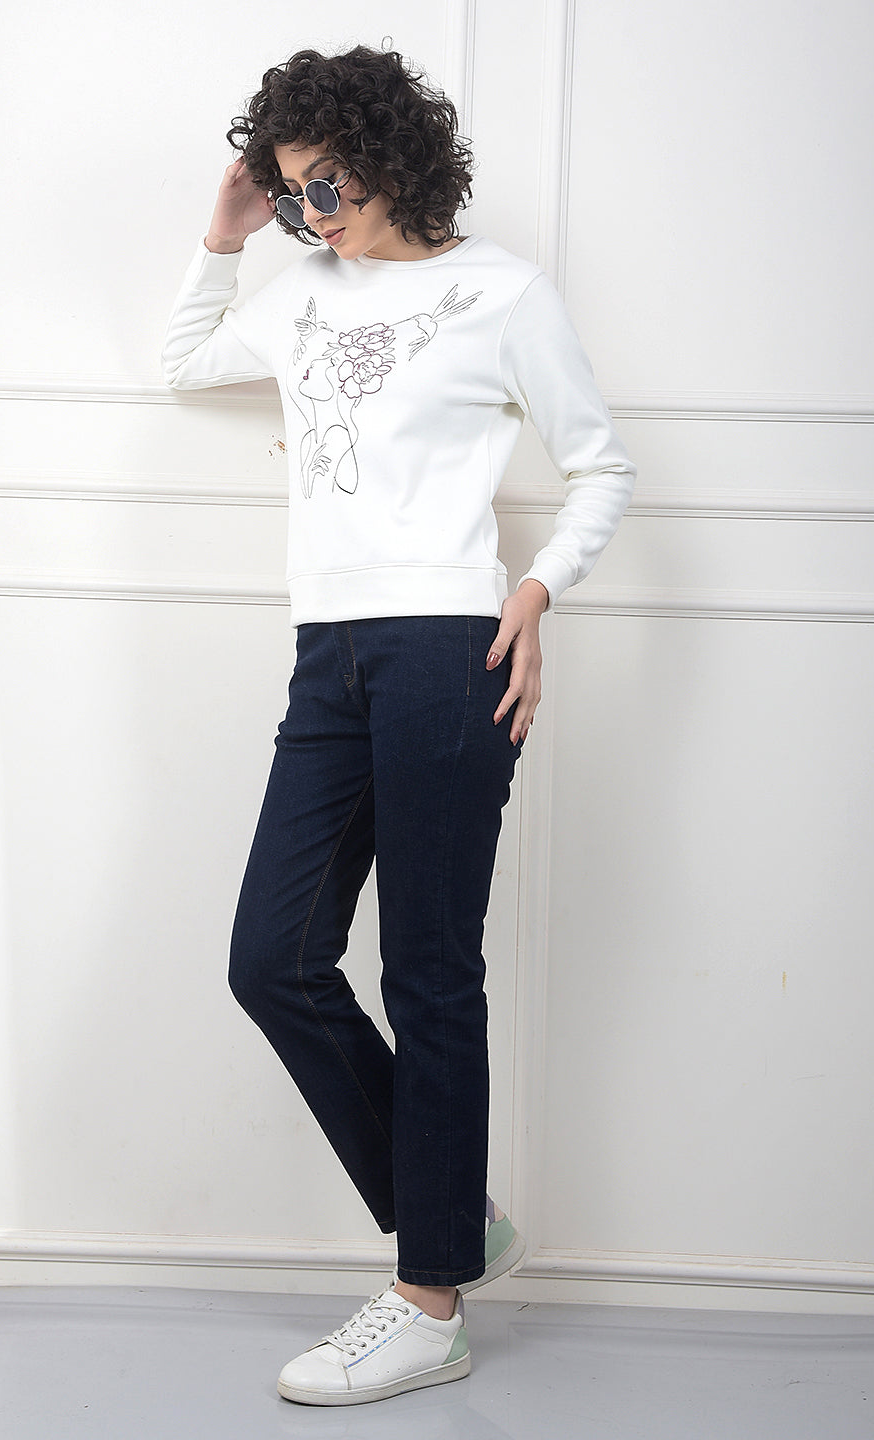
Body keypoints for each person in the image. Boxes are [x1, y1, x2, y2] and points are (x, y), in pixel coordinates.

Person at [160, 43, 636, 1407]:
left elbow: (601, 464)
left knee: (428, 970)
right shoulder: (304, 288)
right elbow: (183, 362)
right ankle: (450, 1221)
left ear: (393, 159)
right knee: (274, 959)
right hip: (329, 654)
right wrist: (225, 233)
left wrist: (537, 591)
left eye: (329, 186)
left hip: (449, 649)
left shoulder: (503, 295)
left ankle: (430, 1303)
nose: (313, 216)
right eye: (292, 194)